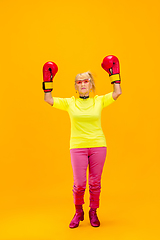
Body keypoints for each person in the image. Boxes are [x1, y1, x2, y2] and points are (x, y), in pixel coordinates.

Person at [42, 55, 122, 228]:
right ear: (76, 86)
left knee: (95, 183)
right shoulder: (70, 103)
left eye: (86, 81)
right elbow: (48, 100)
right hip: (77, 147)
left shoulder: (99, 101)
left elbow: (117, 93)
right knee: (79, 184)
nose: (83, 84)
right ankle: (79, 212)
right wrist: (47, 82)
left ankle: (93, 212)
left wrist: (114, 74)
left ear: (91, 84)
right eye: (79, 82)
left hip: (98, 145)